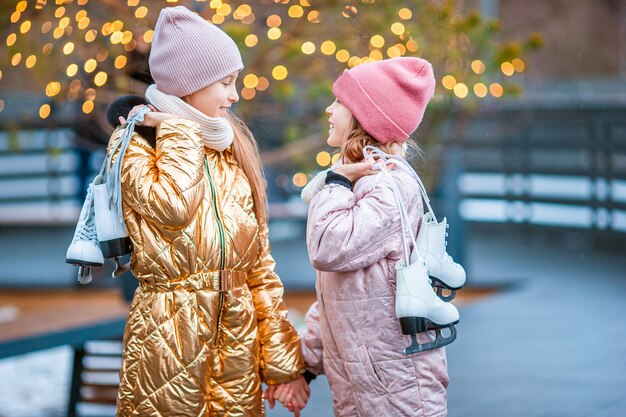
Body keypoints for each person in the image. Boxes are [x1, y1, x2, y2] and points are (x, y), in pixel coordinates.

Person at [106, 6, 309, 416]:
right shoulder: (135, 146)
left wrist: (284, 366)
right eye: (225, 83)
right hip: (169, 339)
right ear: (190, 83)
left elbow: (259, 268)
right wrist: (178, 131)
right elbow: (173, 207)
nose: (234, 96)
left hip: (236, 344)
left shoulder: (232, 151)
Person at [298, 57, 451, 416]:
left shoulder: (389, 186)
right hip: (367, 384)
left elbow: (327, 248)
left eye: (339, 102)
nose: (328, 109)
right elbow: (341, 294)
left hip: (397, 389)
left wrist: (334, 181)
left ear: (363, 117)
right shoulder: (360, 182)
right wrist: (305, 363)